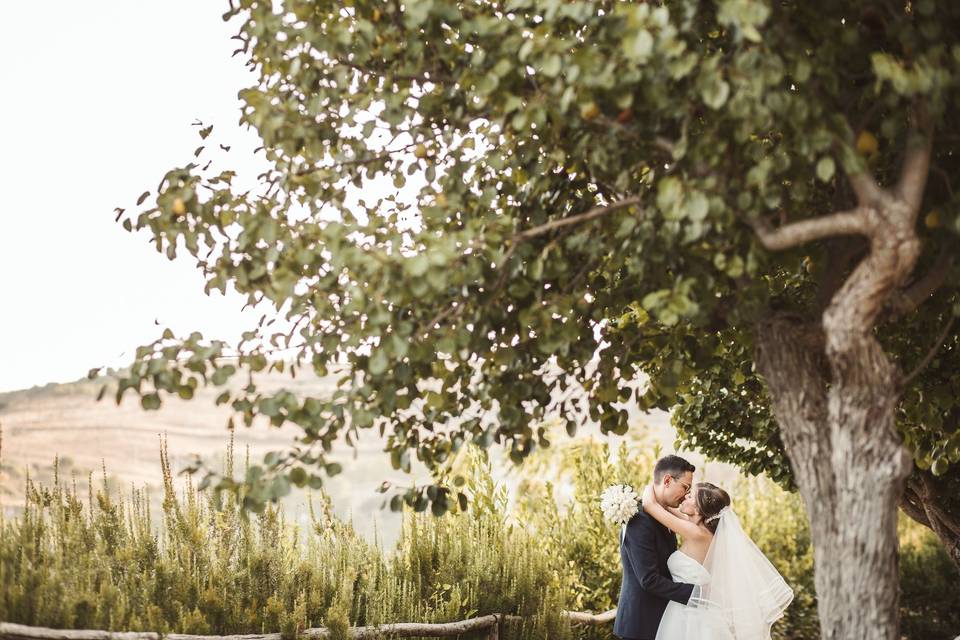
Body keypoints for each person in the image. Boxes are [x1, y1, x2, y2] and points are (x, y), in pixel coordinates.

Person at [640, 481, 794, 640]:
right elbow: (667, 509)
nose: (686, 496)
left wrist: (655, 484)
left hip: (691, 617)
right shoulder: (699, 530)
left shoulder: (696, 533)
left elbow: (650, 505)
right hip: (693, 611)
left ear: (698, 509)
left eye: (691, 495)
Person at [614, 455, 697, 640]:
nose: (686, 493)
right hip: (641, 626)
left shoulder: (662, 513)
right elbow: (649, 579)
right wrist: (697, 594)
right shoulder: (639, 520)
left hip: (662, 621)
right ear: (667, 480)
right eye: (685, 487)